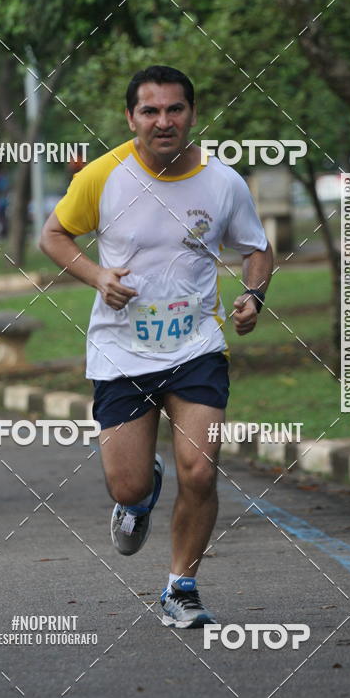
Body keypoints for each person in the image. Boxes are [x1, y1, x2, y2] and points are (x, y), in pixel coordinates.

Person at [40, 65, 273, 628]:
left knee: (201, 471)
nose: (163, 121)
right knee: (128, 483)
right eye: (150, 111)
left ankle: (180, 586)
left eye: (175, 110)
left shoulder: (223, 182)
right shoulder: (103, 176)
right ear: (130, 117)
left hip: (197, 346)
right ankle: (141, 497)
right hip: (122, 352)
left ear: (192, 114)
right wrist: (97, 276)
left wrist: (253, 296)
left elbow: (256, 248)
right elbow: (53, 235)